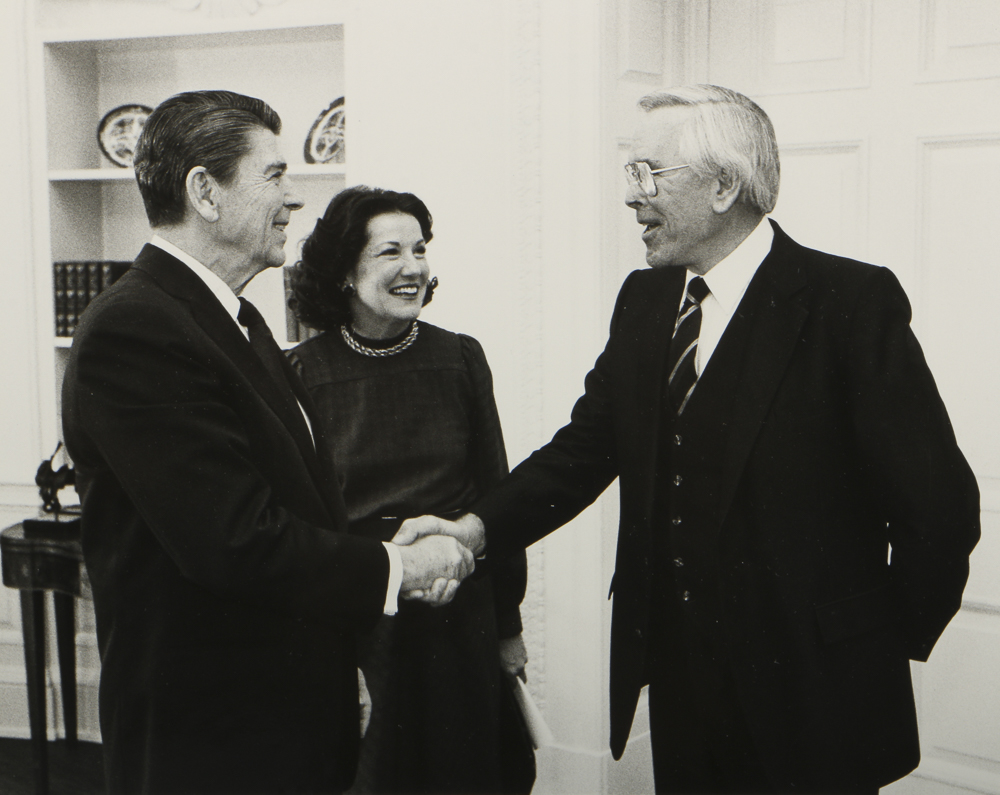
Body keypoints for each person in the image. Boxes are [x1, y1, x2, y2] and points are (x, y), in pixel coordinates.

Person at [395, 84, 981, 794]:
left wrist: (874, 643)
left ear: (724, 185)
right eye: (629, 174)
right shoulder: (645, 300)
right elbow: (583, 452)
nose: (632, 197)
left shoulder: (847, 302)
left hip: (817, 695)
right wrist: (471, 529)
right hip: (682, 687)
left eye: (650, 174)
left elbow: (940, 507)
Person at [61, 91, 473, 795]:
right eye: (275, 176)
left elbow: (303, 504)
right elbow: (235, 539)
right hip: (212, 737)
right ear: (205, 192)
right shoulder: (136, 329)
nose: (293, 200)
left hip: (280, 715)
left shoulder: (238, 319)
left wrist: (342, 660)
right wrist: (397, 568)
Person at [287, 185, 533, 794]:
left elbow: (495, 495)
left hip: (459, 615)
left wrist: (508, 626)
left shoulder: (460, 357)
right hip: (366, 619)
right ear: (346, 271)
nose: (413, 268)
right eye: (390, 252)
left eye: (420, 249)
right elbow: (303, 520)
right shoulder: (298, 372)